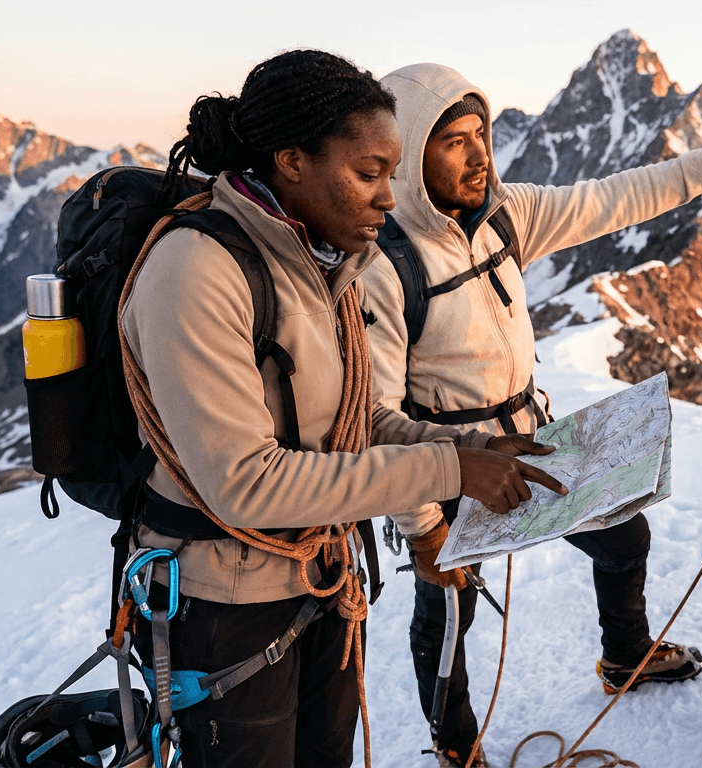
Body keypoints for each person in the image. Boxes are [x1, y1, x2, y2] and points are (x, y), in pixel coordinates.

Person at [118, 50, 565, 768]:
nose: (390, 199)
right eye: (368, 174)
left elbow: (354, 418)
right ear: (291, 160)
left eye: (392, 173)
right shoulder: (195, 270)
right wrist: (448, 469)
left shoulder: (324, 263)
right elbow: (246, 482)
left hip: (316, 581)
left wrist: (476, 451)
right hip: (220, 605)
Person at [361, 62, 702, 766]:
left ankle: (624, 656)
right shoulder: (385, 269)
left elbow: (612, 199)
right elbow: (377, 415)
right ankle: (455, 745)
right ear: (411, 152)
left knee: (622, 539)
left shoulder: (504, 216)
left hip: (530, 441)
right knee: (446, 609)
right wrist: (420, 528)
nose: (479, 154)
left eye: (481, 134)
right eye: (453, 141)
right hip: (453, 467)